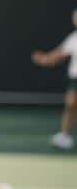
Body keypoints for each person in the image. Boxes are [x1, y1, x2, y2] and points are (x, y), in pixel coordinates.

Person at [32, 8, 77, 150]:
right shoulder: (73, 39)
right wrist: (44, 59)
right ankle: (64, 136)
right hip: (75, 77)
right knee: (71, 104)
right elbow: (58, 55)